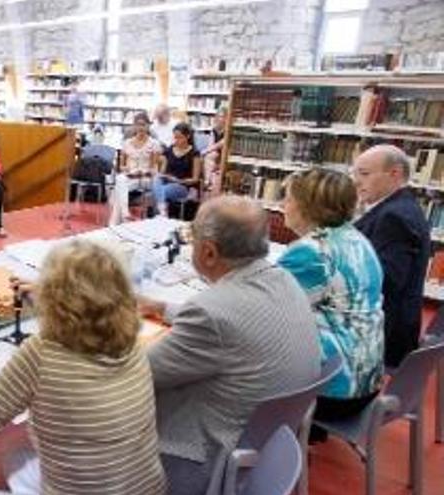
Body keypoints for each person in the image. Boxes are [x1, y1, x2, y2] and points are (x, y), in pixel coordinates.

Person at [0, 239, 167, 495]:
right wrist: (56, 301)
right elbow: (91, 316)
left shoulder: (42, 353)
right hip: (147, 489)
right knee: (17, 459)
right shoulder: (132, 343)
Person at [141, 196, 320, 495]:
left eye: (191, 237)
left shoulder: (212, 312)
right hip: (266, 443)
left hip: (205, 458)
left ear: (208, 252)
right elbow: (237, 321)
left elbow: (136, 374)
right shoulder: (283, 279)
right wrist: (161, 307)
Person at [277, 167, 384, 438]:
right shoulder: (356, 239)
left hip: (332, 394)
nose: (282, 205)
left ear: (307, 207)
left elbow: (260, 314)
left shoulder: (311, 252)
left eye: (288, 198)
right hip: (365, 379)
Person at [353, 144, 431, 368]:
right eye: (355, 173)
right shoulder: (398, 207)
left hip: (382, 334)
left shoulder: (393, 216)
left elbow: (385, 280)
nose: (357, 181)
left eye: (364, 174)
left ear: (394, 174)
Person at [109, 114, 162, 226]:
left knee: (118, 188)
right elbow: (122, 166)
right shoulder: (127, 143)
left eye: (143, 125)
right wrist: (127, 170)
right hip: (131, 177)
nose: (140, 128)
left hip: (146, 179)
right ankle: (123, 216)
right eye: (138, 125)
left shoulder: (154, 144)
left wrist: (144, 172)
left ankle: (117, 222)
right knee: (120, 179)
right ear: (134, 126)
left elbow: (154, 168)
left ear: (148, 126)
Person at [153, 122, 202, 216]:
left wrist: (179, 181)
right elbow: (162, 170)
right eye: (175, 137)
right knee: (156, 180)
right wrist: (163, 174)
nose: (176, 140)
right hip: (167, 181)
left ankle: (161, 213)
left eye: (179, 137)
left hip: (182, 186)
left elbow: (195, 179)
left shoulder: (194, 154)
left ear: (187, 136)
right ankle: (163, 211)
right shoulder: (170, 150)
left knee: (160, 191)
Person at [201, 107, 227, 193]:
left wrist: (207, 151)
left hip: (225, 152)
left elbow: (222, 143)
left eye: (223, 116)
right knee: (208, 156)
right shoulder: (214, 129)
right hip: (215, 152)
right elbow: (211, 143)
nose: (221, 119)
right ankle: (208, 182)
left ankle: (207, 182)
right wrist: (207, 151)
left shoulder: (228, 130)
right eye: (219, 116)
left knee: (209, 155)